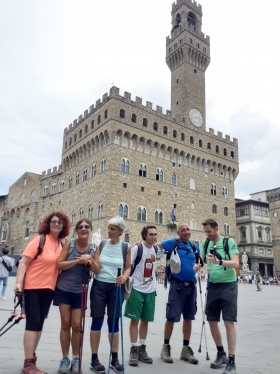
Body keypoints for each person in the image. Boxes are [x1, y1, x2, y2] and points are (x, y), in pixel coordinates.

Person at [15, 211, 70, 374]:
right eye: (53, 221)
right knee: (33, 322)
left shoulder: (61, 243)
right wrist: (18, 282)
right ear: (48, 223)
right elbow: (24, 262)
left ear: (64, 226)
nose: (56, 224)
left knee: (39, 324)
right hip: (32, 287)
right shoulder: (39, 239)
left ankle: (31, 358)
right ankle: (27, 364)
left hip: (49, 288)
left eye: (60, 222)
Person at [54, 218, 102, 374]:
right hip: (64, 288)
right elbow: (59, 264)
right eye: (80, 227)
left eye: (86, 226)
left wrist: (89, 260)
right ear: (76, 230)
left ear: (90, 229)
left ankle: (75, 358)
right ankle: (64, 358)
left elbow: (97, 270)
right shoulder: (70, 244)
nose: (83, 228)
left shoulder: (94, 247)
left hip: (80, 291)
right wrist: (77, 261)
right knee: (65, 323)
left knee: (76, 325)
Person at [89, 216, 131, 374]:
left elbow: (128, 267)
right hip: (99, 285)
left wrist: (125, 277)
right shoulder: (101, 244)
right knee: (97, 320)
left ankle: (114, 358)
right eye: (108, 228)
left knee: (114, 322)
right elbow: (97, 266)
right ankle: (94, 358)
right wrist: (91, 261)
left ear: (120, 231)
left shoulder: (125, 247)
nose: (109, 231)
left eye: (112, 229)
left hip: (116, 287)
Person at [156, 222, 200, 365]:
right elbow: (156, 246)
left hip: (191, 287)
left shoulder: (194, 246)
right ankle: (165, 347)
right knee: (171, 317)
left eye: (188, 229)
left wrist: (199, 265)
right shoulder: (172, 243)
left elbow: (200, 261)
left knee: (189, 318)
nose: (186, 232)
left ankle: (185, 349)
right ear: (178, 233)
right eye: (183, 230)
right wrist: (141, 243)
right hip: (177, 286)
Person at [201, 218, 239, 374]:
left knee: (228, 322)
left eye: (209, 231)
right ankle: (221, 353)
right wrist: (197, 264)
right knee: (211, 321)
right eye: (205, 232)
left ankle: (231, 360)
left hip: (229, 285)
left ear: (217, 229)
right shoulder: (205, 243)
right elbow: (201, 260)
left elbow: (236, 263)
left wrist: (219, 261)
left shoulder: (228, 242)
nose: (207, 234)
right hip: (213, 286)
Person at [124, 225, 164, 367]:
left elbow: (168, 246)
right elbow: (128, 265)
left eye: (155, 234)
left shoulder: (156, 249)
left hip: (151, 290)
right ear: (145, 235)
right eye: (151, 234)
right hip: (136, 288)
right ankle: (133, 349)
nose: (154, 236)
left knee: (145, 320)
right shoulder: (137, 248)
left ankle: (142, 348)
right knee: (134, 320)